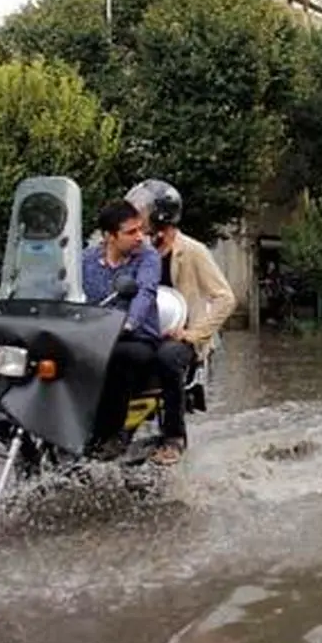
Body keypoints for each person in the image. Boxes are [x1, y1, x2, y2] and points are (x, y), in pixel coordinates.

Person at [124, 178, 236, 465]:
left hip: (180, 337)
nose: (138, 218)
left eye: (143, 212)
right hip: (144, 333)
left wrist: (193, 333)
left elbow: (225, 298)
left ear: (161, 215)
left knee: (167, 358)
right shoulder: (136, 252)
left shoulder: (193, 251)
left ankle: (173, 438)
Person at [81, 198, 162, 460]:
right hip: (93, 337)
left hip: (135, 338)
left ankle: (109, 435)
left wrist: (127, 323)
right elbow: (65, 289)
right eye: (131, 232)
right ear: (109, 236)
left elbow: (145, 293)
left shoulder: (147, 258)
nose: (140, 237)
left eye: (141, 230)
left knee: (118, 358)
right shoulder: (85, 260)